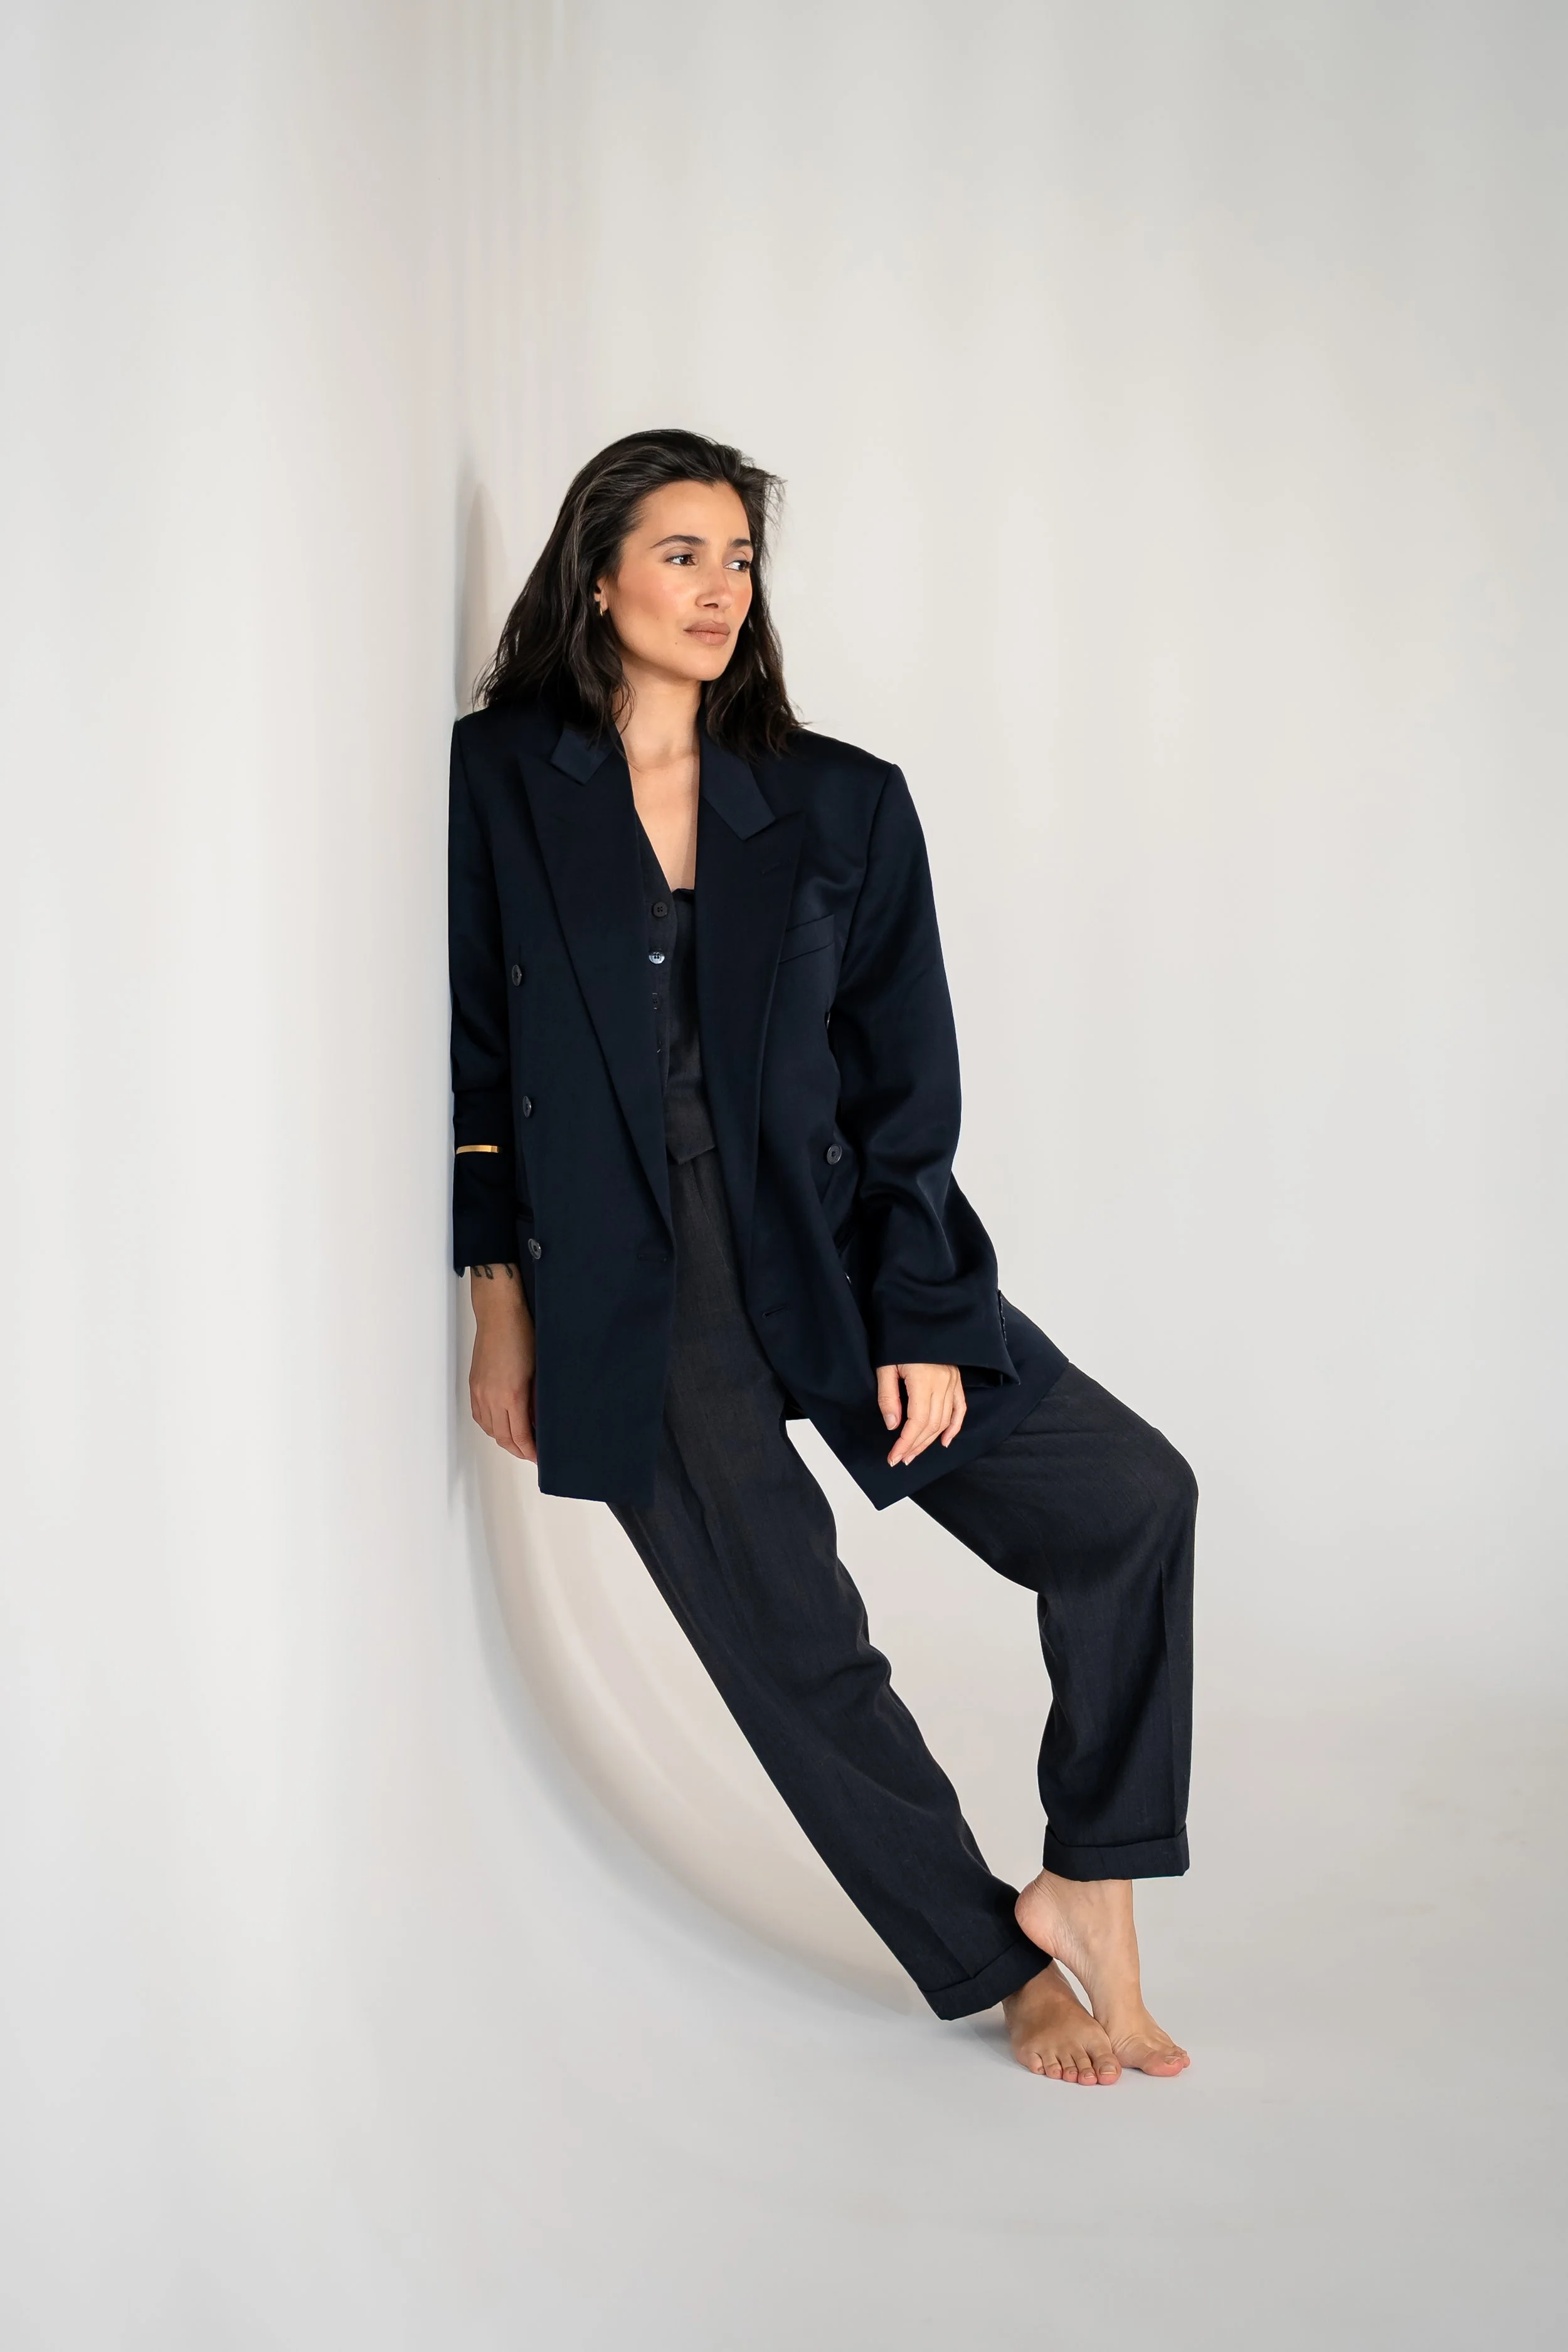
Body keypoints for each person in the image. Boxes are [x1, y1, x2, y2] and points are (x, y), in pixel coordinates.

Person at [448, 428, 1195, 2083]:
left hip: (830, 1249)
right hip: (627, 1290)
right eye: (680, 554)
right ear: (596, 575)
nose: (719, 589)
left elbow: (905, 1088)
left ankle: (1097, 1869)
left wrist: (922, 1313)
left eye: (738, 559)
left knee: (1129, 1499)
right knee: (796, 1648)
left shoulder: (842, 797)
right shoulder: (500, 778)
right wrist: (501, 1304)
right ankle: (993, 1963)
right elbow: (476, 1059)